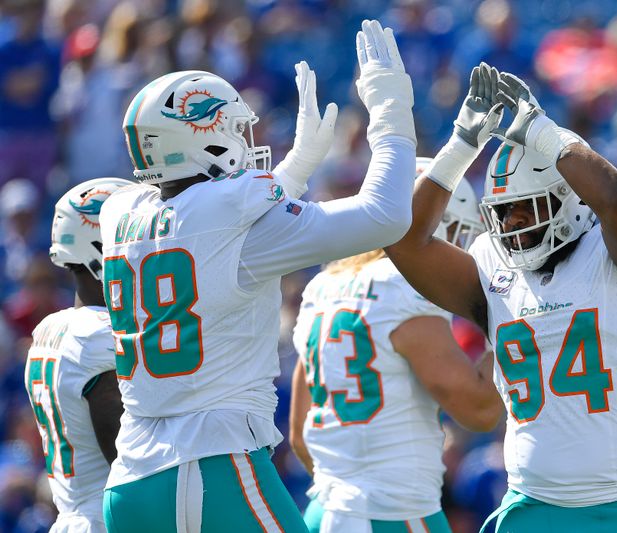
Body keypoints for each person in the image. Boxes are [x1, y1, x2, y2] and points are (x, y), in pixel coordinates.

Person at [99, 20, 417, 532]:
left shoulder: (122, 213)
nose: (247, 143)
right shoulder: (227, 215)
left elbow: (208, 233)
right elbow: (385, 215)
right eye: (233, 130)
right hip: (211, 464)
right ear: (202, 137)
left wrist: (294, 170)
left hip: (130, 480)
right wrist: (393, 116)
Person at [385, 63, 617, 532]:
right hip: (533, 506)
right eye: (502, 215)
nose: (511, 228)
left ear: (569, 197)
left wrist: (548, 136)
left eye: (525, 209)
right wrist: (461, 145)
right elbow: (404, 241)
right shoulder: (492, 263)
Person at [288, 158, 502, 533]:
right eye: (458, 234)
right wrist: (511, 327)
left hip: (324, 510)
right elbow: (479, 409)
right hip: (394, 513)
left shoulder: (322, 287)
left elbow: (299, 435)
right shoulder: (403, 287)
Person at [24, 177, 129, 532]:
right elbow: (129, 464)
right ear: (105, 252)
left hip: (75, 516)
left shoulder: (49, 330)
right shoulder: (99, 337)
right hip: (110, 519)